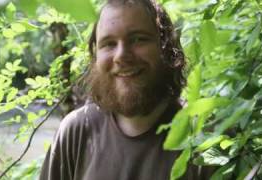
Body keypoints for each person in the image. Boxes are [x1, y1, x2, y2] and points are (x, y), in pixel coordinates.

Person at [40, 0, 212, 179]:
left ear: (166, 47)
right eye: (109, 43)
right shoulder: (76, 132)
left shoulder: (202, 135)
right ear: (95, 55)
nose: (121, 55)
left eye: (138, 39)